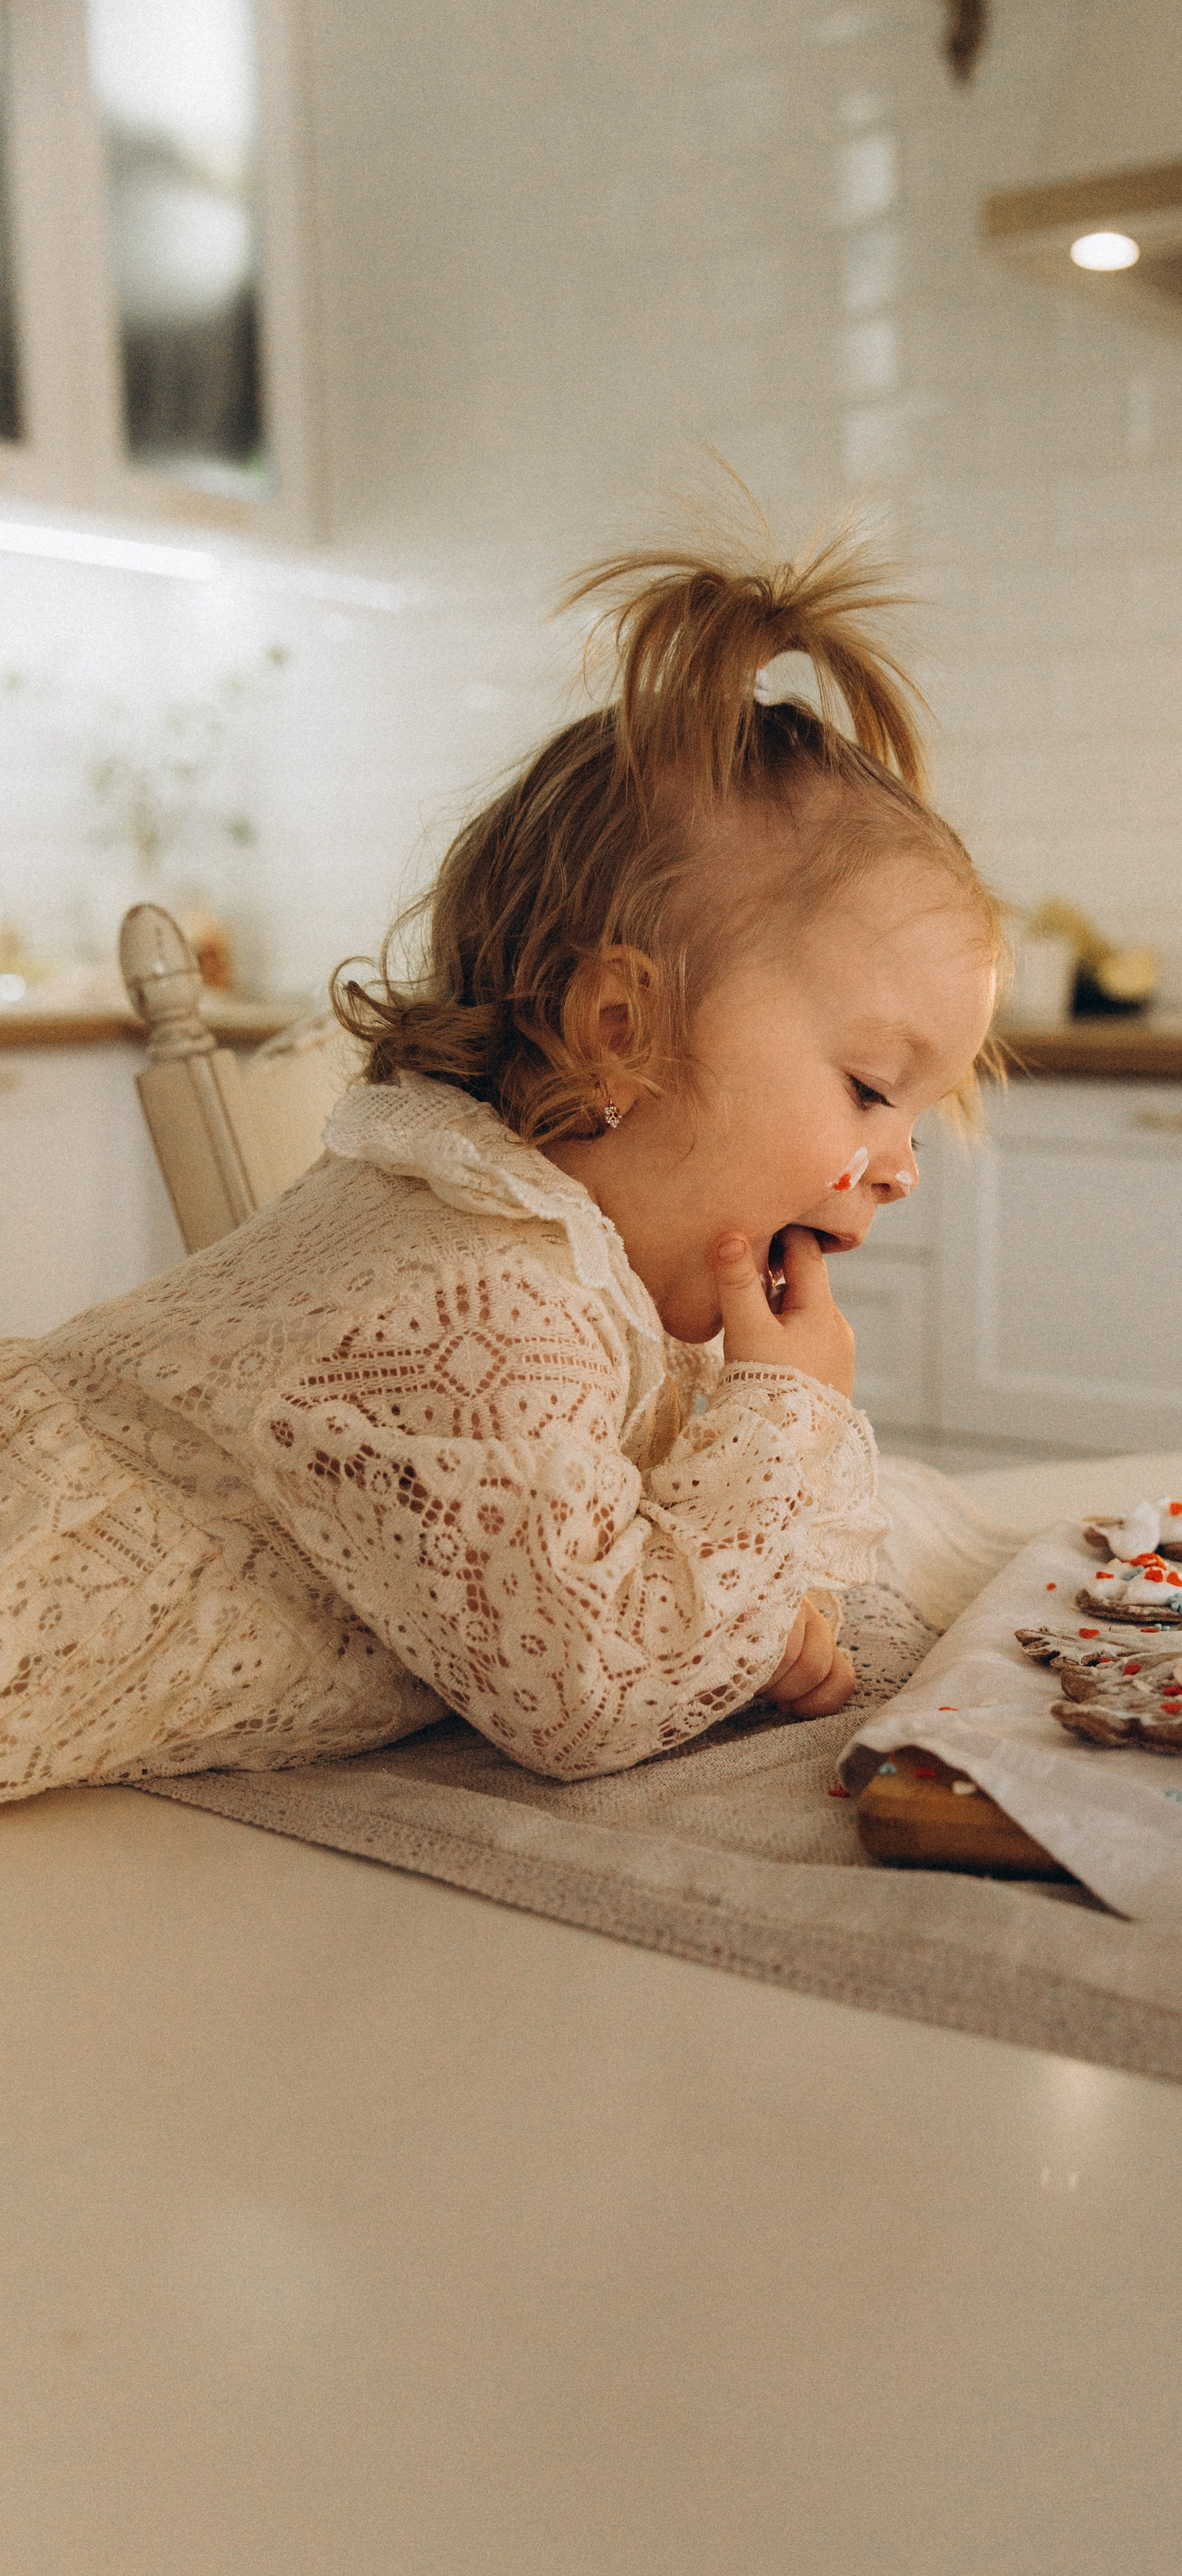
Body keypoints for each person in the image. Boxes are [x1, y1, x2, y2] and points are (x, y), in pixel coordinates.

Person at [0, 525, 1002, 1800]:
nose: (903, 1165)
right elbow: (588, 1691)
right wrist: (786, 1425)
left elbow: (596, 1569)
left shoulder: (574, 1270)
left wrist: (740, 1615)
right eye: (870, 1088)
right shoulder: (473, 1299)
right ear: (625, 1034)